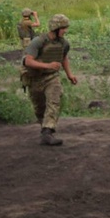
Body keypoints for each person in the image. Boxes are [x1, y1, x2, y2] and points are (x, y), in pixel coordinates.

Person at [22, 14, 78, 146]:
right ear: (55, 28)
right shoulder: (38, 41)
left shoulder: (64, 43)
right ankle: (45, 130)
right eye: (63, 28)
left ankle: (48, 132)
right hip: (35, 78)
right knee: (39, 108)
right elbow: (27, 61)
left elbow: (63, 57)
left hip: (52, 77)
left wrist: (70, 75)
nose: (65, 31)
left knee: (54, 101)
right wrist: (47, 65)